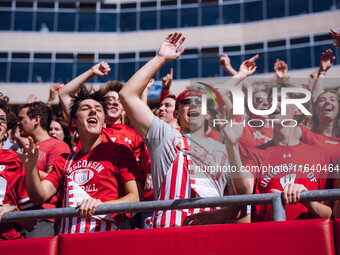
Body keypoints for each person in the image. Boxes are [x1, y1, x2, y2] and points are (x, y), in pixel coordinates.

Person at [119, 33, 256, 227]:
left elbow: (243, 197)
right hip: (169, 233)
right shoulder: (164, 136)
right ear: (176, 115)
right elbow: (128, 95)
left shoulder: (224, 149)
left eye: (199, 102)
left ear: (208, 114)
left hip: (211, 236)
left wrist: (217, 215)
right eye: (185, 102)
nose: (192, 105)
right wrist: (160, 58)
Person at [19, 86, 142, 234]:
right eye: (85, 108)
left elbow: (136, 198)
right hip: (68, 239)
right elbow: (39, 196)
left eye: (98, 109)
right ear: (74, 122)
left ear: (104, 123)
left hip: (106, 237)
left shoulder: (120, 152)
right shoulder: (64, 160)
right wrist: (31, 167)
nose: (93, 111)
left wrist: (101, 206)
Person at [223, 83, 333, 222]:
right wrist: (232, 145)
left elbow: (328, 213)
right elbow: (244, 190)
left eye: (280, 99)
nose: (271, 104)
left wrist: (307, 199)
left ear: (298, 109)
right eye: (270, 101)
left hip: (308, 238)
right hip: (269, 238)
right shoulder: (255, 153)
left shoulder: (321, 155)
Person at [16, 101, 70, 237]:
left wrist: (28, 166)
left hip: (43, 217)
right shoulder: (24, 149)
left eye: (22, 119)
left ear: (37, 120)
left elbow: (54, 180)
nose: (18, 123)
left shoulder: (58, 146)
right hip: (21, 216)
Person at [0, 93, 36, 240]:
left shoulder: (16, 161)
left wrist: (13, 211)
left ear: (6, 132)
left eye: (2, 120)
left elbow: (31, 223)